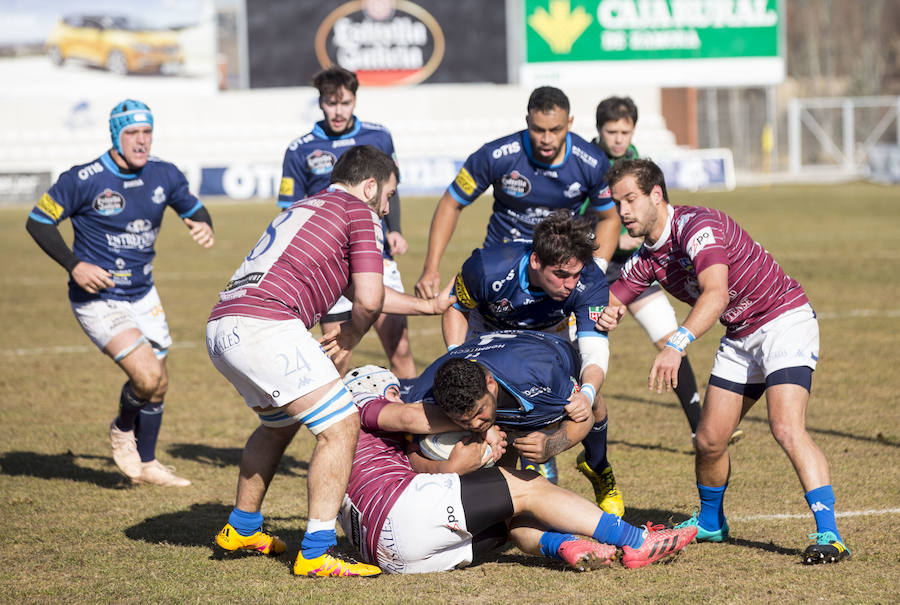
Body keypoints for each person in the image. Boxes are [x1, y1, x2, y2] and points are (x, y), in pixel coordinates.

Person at [207, 145, 455, 577]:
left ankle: (243, 527)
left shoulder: (309, 206)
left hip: (224, 324)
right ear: (371, 186)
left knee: (278, 424)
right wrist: (353, 334)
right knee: (341, 426)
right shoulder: (359, 211)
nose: (388, 207)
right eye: (389, 195)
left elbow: (359, 290)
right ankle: (317, 552)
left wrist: (428, 307)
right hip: (266, 325)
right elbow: (370, 297)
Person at [596, 158, 849, 564]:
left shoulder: (698, 227)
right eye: (617, 202)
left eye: (630, 200)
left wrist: (676, 344)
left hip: (782, 319)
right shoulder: (647, 257)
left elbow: (717, 294)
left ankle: (830, 535)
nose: (623, 211)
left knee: (785, 427)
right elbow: (612, 297)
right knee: (709, 440)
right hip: (740, 335)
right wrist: (604, 314)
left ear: (656, 195)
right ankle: (712, 522)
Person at [339, 366, 697, 573]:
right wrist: (477, 427)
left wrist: (453, 465)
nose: (401, 396)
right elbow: (407, 415)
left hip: (387, 555)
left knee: (509, 516)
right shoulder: (364, 406)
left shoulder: (339, 448)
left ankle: (566, 546)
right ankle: (636, 541)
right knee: (528, 487)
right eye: (393, 390)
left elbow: (416, 465)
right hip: (400, 513)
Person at [25, 99, 214, 487]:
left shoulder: (165, 174)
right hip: (99, 298)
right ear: (115, 135)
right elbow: (38, 221)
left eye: (147, 132)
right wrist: (74, 264)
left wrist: (203, 225)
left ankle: (147, 464)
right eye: (132, 133)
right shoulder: (83, 179)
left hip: (144, 294)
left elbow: (195, 208)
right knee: (146, 377)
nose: (141, 141)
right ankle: (122, 429)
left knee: (159, 381)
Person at [443, 211, 622, 514]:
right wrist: (456, 356)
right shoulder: (488, 267)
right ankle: (519, 480)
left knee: (593, 402)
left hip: (550, 336)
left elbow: (594, 349)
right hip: (491, 335)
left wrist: (587, 392)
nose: (570, 284)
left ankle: (599, 466)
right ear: (536, 261)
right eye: (562, 275)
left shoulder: (588, 277)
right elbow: (456, 308)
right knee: (488, 406)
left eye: (576, 275)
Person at [589, 96, 737, 444]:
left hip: (638, 266)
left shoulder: (634, 161)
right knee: (583, 340)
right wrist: (610, 239)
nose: (619, 139)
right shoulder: (588, 165)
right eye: (612, 131)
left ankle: (698, 426)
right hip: (597, 269)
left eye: (626, 131)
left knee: (669, 336)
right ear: (599, 131)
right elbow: (580, 219)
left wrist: (629, 242)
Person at [414, 86, 621, 300]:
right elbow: (451, 203)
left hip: (559, 270)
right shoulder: (495, 156)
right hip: (500, 266)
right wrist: (431, 268)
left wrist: (596, 270)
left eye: (556, 130)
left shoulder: (593, 162)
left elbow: (610, 218)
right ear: (527, 121)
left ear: (570, 123)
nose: (547, 139)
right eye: (539, 129)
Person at [278, 65, 415, 380]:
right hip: (331, 264)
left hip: (376, 255)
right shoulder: (300, 149)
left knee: (401, 349)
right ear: (321, 102)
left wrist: (394, 230)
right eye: (330, 102)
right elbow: (290, 210)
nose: (338, 111)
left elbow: (390, 189)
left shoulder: (378, 136)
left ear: (355, 100)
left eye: (345, 103)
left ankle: (412, 429)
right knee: (336, 359)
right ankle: (339, 428)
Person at [405, 329, 625, 513]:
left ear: (490, 383)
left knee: (594, 403)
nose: (474, 425)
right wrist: (446, 467)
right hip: (494, 355)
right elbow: (407, 449)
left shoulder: (543, 376)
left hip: (547, 350)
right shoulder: (423, 395)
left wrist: (552, 444)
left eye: (479, 412)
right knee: (499, 490)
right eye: (462, 421)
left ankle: (597, 465)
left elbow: (583, 417)